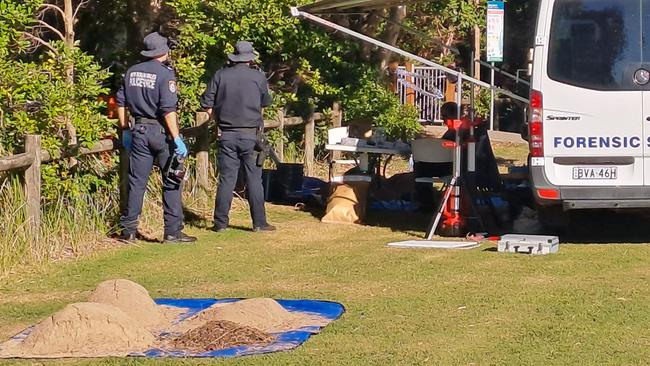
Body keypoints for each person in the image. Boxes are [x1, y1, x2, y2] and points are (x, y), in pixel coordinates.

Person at [116, 32, 197, 244]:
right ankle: (172, 231)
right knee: (172, 180)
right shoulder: (164, 74)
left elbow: (121, 102)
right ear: (163, 51)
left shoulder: (131, 71)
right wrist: (177, 137)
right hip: (161, 132)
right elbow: (168, 110)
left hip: (139, 131)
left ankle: (129, 231)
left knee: (137, 182)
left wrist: (125, 128)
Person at [200, 41, 275, 233]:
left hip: (226, 134)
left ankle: (220, 222)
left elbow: (206, 103)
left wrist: (217, 121)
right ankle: (259, 222)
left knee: (227, 179)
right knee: (254, 179)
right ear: (250, 58)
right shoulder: (258, 77)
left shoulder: (220, 75)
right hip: (251, 135)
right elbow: (265, 102)